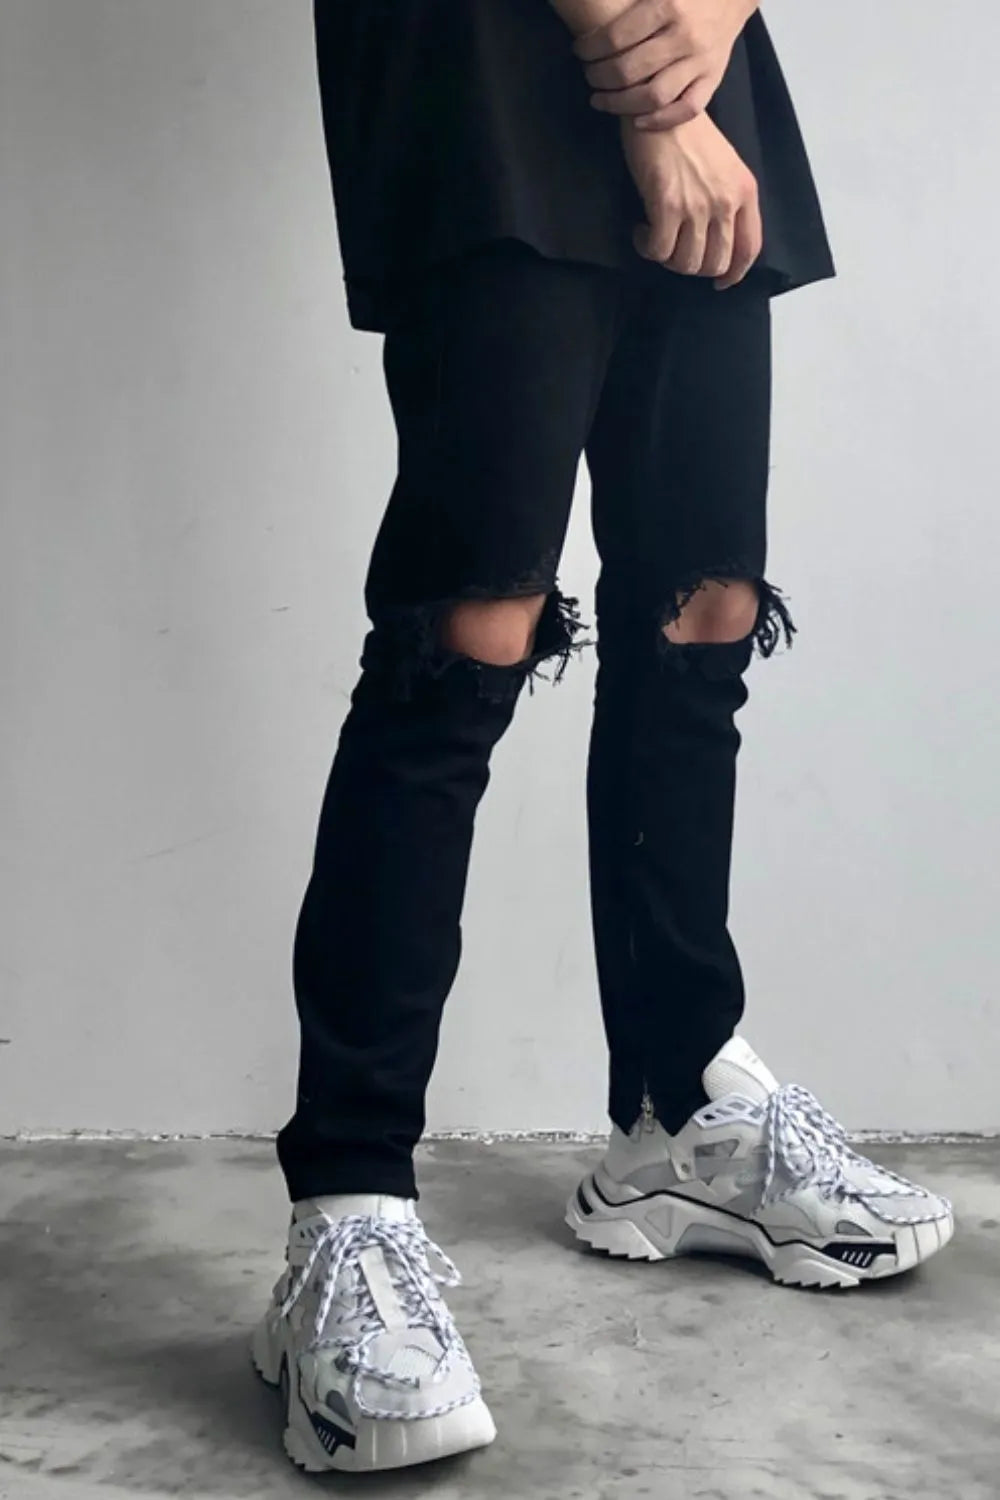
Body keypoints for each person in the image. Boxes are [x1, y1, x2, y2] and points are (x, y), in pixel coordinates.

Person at [251, 0, 954, 1474]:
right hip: (487, 55)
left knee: (704, 601)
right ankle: (348, 1205)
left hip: (694, 48)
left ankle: (676, 1109)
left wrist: (712, 16)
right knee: (472, 624)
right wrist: (655, 97)